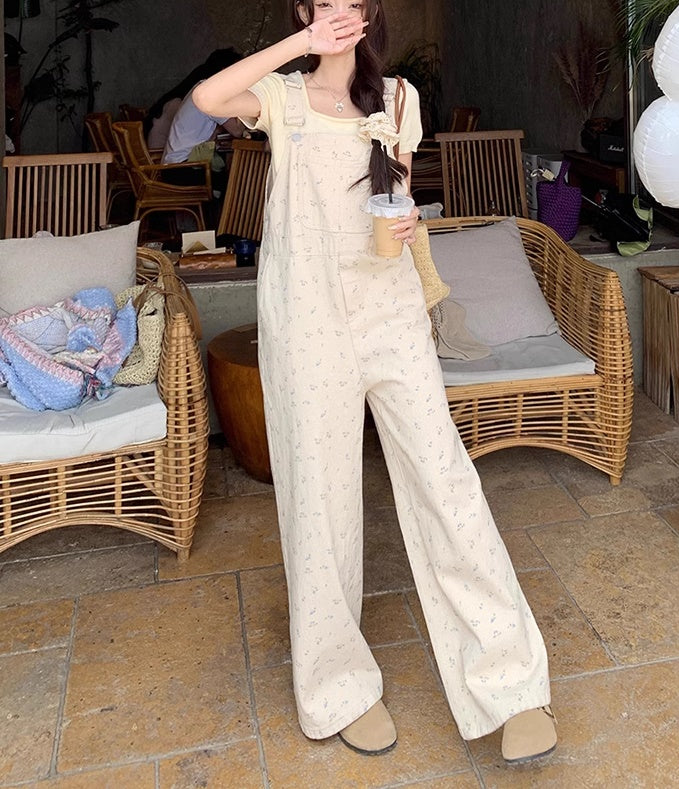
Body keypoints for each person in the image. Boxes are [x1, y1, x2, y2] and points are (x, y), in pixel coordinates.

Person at [193, 0, 557, 764]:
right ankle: (338, 688)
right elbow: (207, 99)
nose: (341, 14)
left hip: (390, 311)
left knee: (445, 480)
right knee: (320, 499)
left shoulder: (397, 99)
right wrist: (299, 45)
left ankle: (510, 680)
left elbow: (396, 198)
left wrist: (406, 221)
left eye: (352, 4)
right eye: (324, 4)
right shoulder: (285, 98)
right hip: (308, 321)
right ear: (305, 10)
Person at [144, 48, 242, 150]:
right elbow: (237, 131)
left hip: (169, 155)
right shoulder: (206, 95)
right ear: (224, 71)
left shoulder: (183, 96)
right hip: (164, 155)